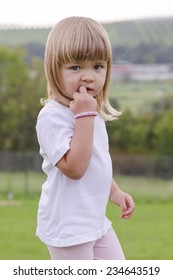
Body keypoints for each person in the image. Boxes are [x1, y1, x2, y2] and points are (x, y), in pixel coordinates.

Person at [35, 16, 135, 260]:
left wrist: (114, 191)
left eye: (97, 66)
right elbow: (75, 168)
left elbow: (95, 162)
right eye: (76, 67)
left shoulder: (90, 113)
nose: (88, 77)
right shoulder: (53, 117)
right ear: (54, 69)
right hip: (68, 228)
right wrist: (85, 116)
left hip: (94, 221)